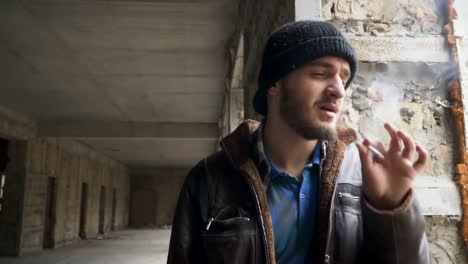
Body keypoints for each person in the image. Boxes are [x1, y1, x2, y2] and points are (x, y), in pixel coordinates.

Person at [167, 20, 430, 264]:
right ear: (274, 84)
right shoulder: (208, 179)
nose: (339, 90)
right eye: (320, 74)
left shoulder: (365, 175)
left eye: (344, 78)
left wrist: (392, 208)